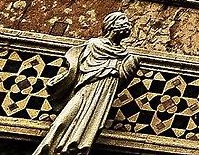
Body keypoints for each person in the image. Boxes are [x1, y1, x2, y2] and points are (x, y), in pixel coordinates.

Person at [32, 11, 136, 155]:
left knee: (91, 125)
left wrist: (129, 65)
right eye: (122, 20)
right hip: (85, 88)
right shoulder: (94, 44)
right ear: (111, 25)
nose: (128, 24)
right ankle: (49, 149)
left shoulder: (128, 57)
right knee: (62, 121)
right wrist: (63, 79)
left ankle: (74, 148)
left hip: (105, 93)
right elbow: (75, 65)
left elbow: (122, 79)